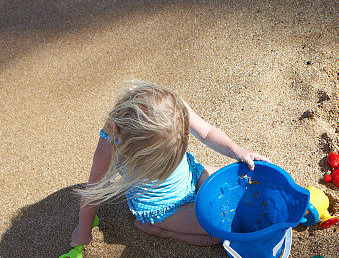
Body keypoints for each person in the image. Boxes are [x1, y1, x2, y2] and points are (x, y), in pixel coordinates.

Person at [70, 81, 268, 247]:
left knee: (245, 182)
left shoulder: (171, 110)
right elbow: (93, 191)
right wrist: (82, 230)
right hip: (164, 207)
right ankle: (161, 231)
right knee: (217, 232)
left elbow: (207, 133)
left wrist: (238, 151)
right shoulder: (111, 145)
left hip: (191, 174)